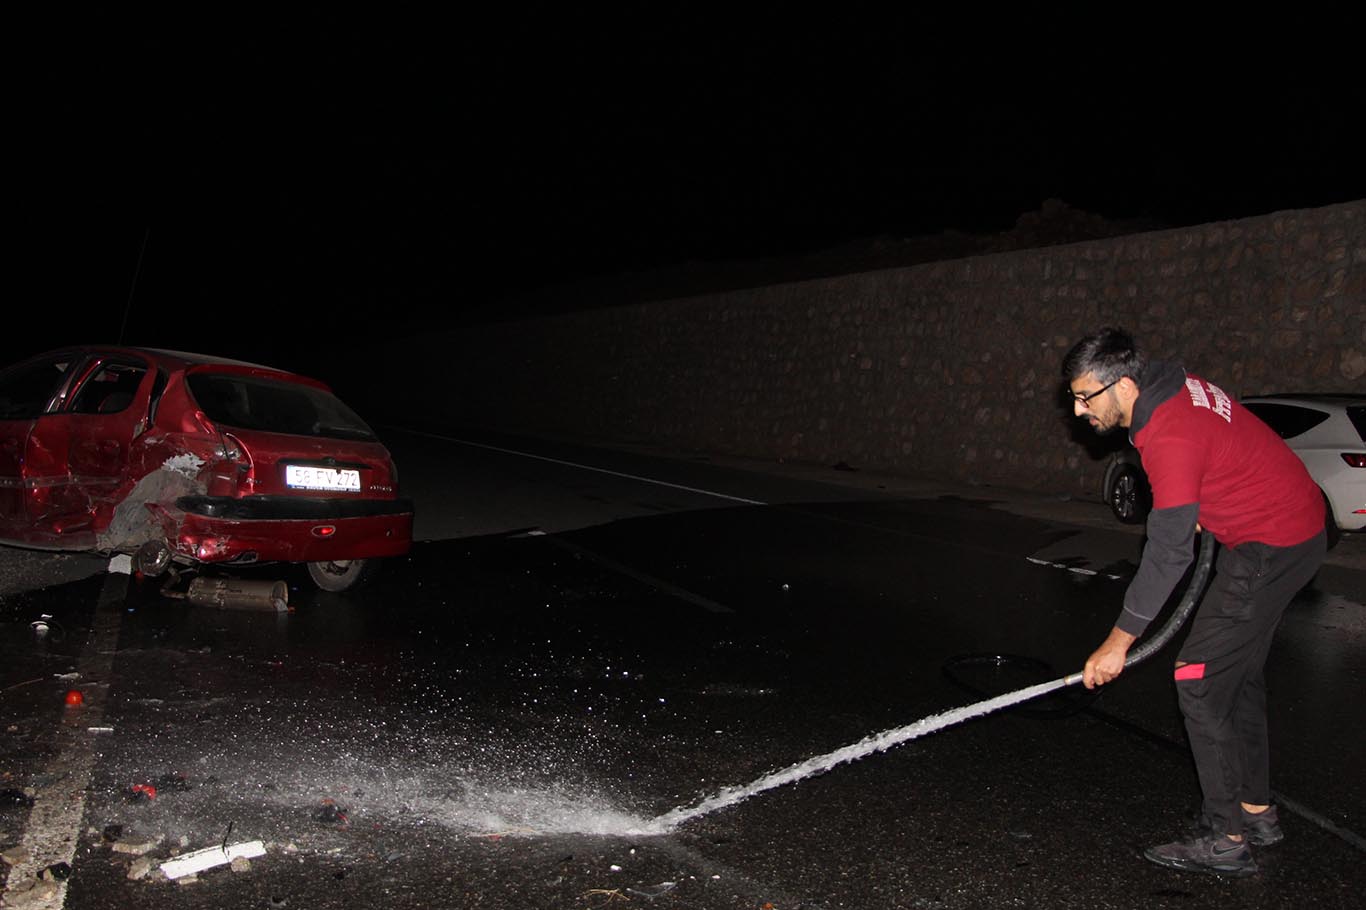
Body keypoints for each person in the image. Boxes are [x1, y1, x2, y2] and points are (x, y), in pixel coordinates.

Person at [1061, 327, 1325, 878]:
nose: (1078, 408)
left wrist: (1118, 643)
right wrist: (1203, 497)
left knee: (1198, 679)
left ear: (1125, 387)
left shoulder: (1168, 434)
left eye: (1086, 396)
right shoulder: (1173, 388)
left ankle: (1226, 840)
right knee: (1238, 676)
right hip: (1290, 527)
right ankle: (1255, 812)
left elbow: (1167, 554)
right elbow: (1220, 449)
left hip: (1270, 544)